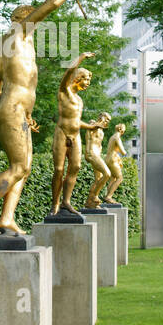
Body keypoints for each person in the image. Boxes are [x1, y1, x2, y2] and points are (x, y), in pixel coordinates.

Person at [0, 0, 76, 236]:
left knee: (24, 168)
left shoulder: (2, 50)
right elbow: (49, 6)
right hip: (13, 110)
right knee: (18, 167)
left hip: (14, 111)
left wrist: (19, 111)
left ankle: (7, 219)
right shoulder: (19, 35)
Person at [51, 52, 109, 215]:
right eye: (86, 79)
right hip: (62, 134)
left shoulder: (80, 100)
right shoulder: (64, 91)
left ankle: (66, 202)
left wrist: (93, 126)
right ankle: (55, 203)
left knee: (75, 167)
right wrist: (82, 57)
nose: (88, 83)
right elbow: (69, 71)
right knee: (59, 170)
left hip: (75, 135)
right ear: (77, 78)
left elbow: (76, 121)